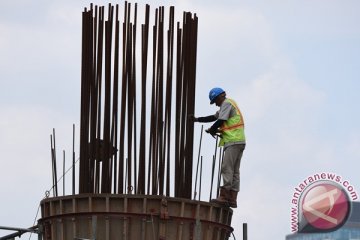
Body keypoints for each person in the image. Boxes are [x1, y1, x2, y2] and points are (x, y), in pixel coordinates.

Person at [191, 87, 245, 208]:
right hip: (239, 141)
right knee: (235, 171)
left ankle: (224, 196)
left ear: (220, 96)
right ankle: (232, 198)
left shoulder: (226, 103)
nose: (216, 104)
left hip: (233, 140)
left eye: (215, 101)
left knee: (227, 168)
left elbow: (221, 120)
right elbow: (214, 117)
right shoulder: (229, 104)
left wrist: (212, 129)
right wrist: (197, 120)